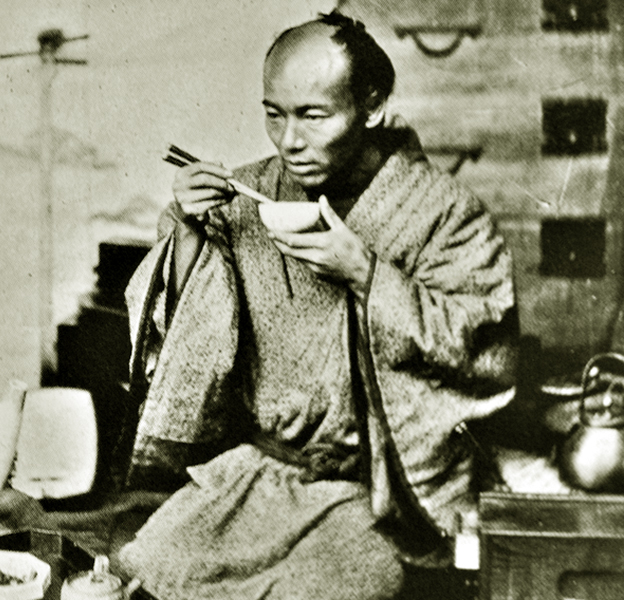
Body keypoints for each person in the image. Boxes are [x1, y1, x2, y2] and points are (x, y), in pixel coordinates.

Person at [115, 12, 518, 600]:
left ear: (372, 106)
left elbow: (483, 354)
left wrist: (365, 273)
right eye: (274, 115)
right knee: (147, 571)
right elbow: (184, 339)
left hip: (381, 494)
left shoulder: (447, 213)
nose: (289, 141)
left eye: (313, 116)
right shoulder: (248, 197)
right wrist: (189, 233)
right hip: (259, 475)